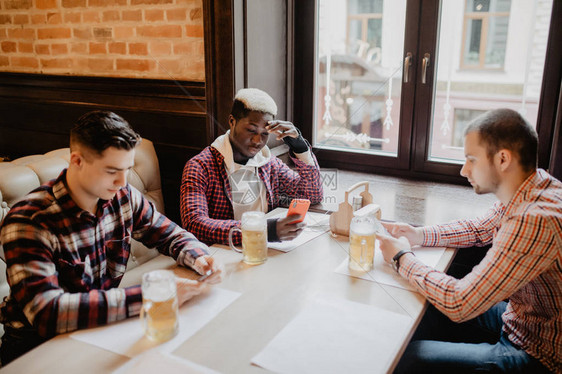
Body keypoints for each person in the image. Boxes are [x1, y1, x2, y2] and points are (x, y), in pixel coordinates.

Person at [0, 111, 222, 365]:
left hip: (100, 330)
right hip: (36, 351)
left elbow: (170, 234)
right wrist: (149, 297)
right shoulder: (29, 220)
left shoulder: (122, 195)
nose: (122, 181)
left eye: (127, 169)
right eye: (112, 171)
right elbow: (47, 313)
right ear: (77, 161)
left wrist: (200, 257)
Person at [377, 108, 561, 373]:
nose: (464, 170)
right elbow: (478, 229)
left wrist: (401, 258)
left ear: (503, 159)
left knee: (410, 358)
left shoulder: (534, 219)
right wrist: (418, 234)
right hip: (520, 321)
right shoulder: (533, 186)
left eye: (472, 159)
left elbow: (460, 303)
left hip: (539, 354)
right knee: (418, 309)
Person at [180, 88, 323, 246]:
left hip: (264, 250)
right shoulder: (200, 166)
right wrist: (261, 230)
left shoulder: (266, 162)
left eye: (264, 134)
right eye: (251, 130)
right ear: (232, 121)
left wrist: (300, 147)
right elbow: (194, 224)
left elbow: (312, 195)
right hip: (222, 255)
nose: (257, 141)